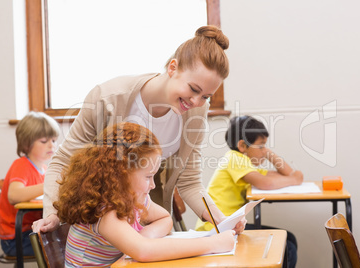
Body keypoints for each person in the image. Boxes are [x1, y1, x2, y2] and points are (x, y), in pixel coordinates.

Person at [33, 25, 245, 235]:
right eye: (193, 89)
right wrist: (52, 214)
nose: (196, 101)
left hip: (147, 224)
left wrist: (221, 219)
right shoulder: (107, 98)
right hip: (100, 224)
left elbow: (189, 182)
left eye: (206, 96)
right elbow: (62, 161)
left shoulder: (197, 113)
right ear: (173, 68)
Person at [54, 122, 235, 267]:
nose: (153, 185)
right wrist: (213, 244)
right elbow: (144, 252)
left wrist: (144, 236)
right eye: (148, 176)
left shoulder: (134, 198)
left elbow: (165, 218)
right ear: (121, 174)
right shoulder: (105, 211)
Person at [195, 115, 304, 268]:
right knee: (287, 247)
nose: (264, 151)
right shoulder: (235, 159)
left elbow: (282, 174)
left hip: (230, 225)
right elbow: (266, 183)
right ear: (242, 146)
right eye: (261, 146)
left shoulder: (244, 162)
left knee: (289, 239)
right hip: (216, 227)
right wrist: (294, 179)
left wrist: (268, 153)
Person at [0, 111, 59, 256]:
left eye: (54, 140)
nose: (51, 145)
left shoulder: (44, 169)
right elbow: (14, 195)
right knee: (63, 247)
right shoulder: (21, 165)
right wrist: (49, 185)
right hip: (16, 239)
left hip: (31, 231)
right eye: (44, 141)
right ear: (26, 145)